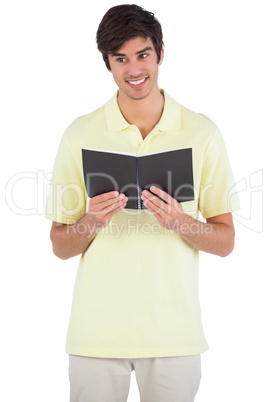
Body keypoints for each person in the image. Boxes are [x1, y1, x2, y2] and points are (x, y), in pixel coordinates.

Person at [45, 4, 240, 402]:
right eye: (121, 59)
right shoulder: (79, 134)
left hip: (175, 334)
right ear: (108, 65)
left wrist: (180, 221)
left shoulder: (203, 133)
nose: (134, 70)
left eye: (143, 55)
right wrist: (91, 222)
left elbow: (226, 241)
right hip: (95, 335)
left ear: (161, 55)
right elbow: (59, 246)